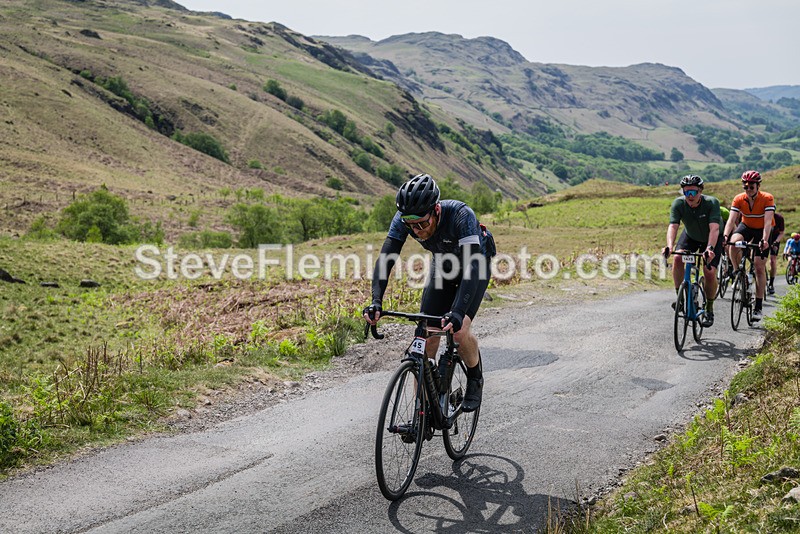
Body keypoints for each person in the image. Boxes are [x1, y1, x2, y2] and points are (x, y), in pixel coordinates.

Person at [364, 173, 496, 412]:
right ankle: (421, 411)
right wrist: (376, 301)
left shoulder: (461, 215)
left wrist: (457, 312)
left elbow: (472, 267)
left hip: (475, 264)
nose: (417, 230)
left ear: (436, 210)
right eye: (411, 226)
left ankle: (475, 378)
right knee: (425, 337)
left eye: (422, 224)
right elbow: (387, 259)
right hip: (444, 265)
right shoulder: (404, 219)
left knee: (458, 331)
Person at [662, 175, 723, 327]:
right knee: (677, 258)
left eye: (693, 192)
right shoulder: (678, 203)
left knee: (709, 272)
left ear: (700, 191)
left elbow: (714, 228)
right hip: (691, 236)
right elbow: (673, 226)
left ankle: (709, 308)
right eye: (686, 192)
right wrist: (669, 246)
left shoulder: (711, 202)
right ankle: (681, 299)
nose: (689, 196)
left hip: (712, 238)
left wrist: (709, 248)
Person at [723, 170, 776, 322]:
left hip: (763, 229)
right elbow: (731, 220)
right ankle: (738, 273)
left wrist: (765, 240)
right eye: (745, 186)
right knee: (733, 244)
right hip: (746, 226)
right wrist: (725, 236)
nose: (748, 188)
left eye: (751, 186)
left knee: (759, 267)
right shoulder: (739, 199)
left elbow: (767, 223)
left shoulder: (767, 198)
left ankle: (758, 307)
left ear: (758, 185)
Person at [767, 212, 785, 295]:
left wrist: (776, 242)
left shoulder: (779, 218)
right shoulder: (763, 215)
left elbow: (781, 233)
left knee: (773, 261)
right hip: (764, 238)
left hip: (775, 239)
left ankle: (771, 283)